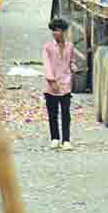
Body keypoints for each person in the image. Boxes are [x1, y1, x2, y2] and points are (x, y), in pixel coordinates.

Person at [43, 18, 75, 151]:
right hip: (51, 86)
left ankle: (66, 140)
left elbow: (71, 61)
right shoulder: (48, 47)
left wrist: (73, 67)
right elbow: (47, 64)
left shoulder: (70, 46)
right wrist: (51, 81)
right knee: (53, 114)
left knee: (66, 113)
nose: (55, 33)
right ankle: (55, 138)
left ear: (64, 32)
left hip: (65, 84)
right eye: (54, 31)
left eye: (58, 30)